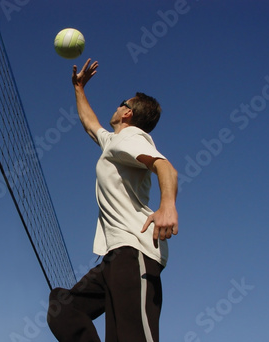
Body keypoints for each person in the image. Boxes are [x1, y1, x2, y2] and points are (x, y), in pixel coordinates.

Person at [47, 59, 179, 342]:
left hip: (136, 251)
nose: (116, 106)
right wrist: (79, 88)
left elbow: (165, 166)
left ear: (127, 113)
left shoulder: (131, 138)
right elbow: (90, 124)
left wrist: (167, 205)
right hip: (115, 257)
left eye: (121, 103)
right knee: (63, 307)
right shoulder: (113, 142)